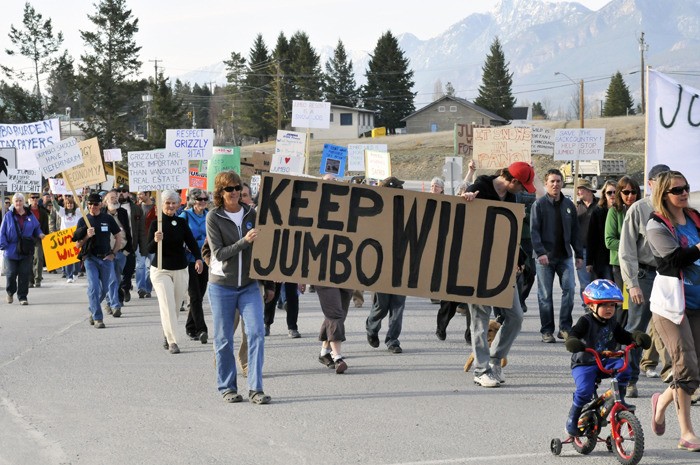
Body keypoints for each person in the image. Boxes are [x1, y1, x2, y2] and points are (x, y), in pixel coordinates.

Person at [461, 161, 535, 387]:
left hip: (501, 266)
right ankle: (481, 370)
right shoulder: (480, 187)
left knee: (515, 316)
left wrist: (519, 259)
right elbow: (459, 215)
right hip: (477, 264)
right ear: (512, 181)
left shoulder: (511, 198)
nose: (523, 191)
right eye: (522, 186)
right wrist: (466, 201)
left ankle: (494, 360)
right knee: (480, 319)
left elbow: (509, 234)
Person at [206, 170, 271, 403]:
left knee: (256, 333)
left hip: (249, 284)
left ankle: (256, 388)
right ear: (220, 193)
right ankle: (227, 387)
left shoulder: (252, 214)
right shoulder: (214, 217)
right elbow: (219, 253)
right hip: (222, 285)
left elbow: (268, 251)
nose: (234, 193)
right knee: (223, 338)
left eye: (237, 188)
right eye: (229, 189)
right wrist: (245, 241)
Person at [646, 170, 700, 451]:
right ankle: (687, 433)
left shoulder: (694, 218)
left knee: (695, 370)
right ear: (663, 194)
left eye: (686, 188)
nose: (683, 193)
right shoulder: (656, 224)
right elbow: (671, 260)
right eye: (677, 190)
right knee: (685, 367)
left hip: (698, 303)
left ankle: (661, 401)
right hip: (672, 307)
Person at [563, 279, 651, 436]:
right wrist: (572, 341)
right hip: (584, 363)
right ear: (591, 305)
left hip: (604, 361)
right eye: (604, 305)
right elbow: (574, 333)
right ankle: (573, 417)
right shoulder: (585, 321)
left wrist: (635, 338)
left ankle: (619, 398)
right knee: (584, 391)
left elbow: (624, 336)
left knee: (624, 366)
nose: (609, 309)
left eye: (612, 305)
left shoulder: (612, 322)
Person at [619, 165, 673, 398]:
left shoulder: (676, 208)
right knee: (636, 330)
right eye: (660, 181)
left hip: (669, 275)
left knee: (675, 327)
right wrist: (632, 283)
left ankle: (678, 379)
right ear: (650, 183)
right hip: (644, 275)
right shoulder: (638, 209)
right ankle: (628, 380)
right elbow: (626, 250)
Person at [531, 169, 583, 343]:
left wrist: (579, 254)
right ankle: (547, 330)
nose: (555, 184)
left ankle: (565, 328)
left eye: (558, 181)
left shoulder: (569, 206)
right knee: (545, 295)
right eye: (552, 181)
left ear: (562, 183)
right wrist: (540, 252)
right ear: (546, 184)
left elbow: (576, 231)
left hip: (565, 256)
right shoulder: (538, 205)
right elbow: (534, 231)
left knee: (569, 289)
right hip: (545, 257)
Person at [147, 190, 203, 354]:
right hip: (161, 270)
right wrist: (155, 240)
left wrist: (198, 258)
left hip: (180, 268)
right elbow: (148, 248)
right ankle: (172, 341)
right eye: (167, 203)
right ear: (161, 204)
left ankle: (167, 332)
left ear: (179, 204)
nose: (171, 206)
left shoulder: (181, 222)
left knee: (176, 306)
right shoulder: (155, 224)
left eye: (174, 203)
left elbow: (191, 242)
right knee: (167, 304)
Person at [366, 176, 408, 354]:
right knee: (381, 306)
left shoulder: (407, 210)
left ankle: (393, 340)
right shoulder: (376, 212)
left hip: (401, 266)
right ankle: (372, 328)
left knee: (398, 306)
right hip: (381, 267)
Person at [72, 193, 122, 328]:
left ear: (100, 204)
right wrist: (87, 236)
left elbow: (118, 237)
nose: (92, 206)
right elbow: (77, 245)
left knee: (104, 290)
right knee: (93, 287)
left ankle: (93, 310)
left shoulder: (108, 218)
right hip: (90, 258)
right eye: (90, 204)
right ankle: (98, 318)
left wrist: (113, 253)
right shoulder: (83, 221)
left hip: (106, 258)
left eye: (95, 204)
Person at [0, 193, 45, 305]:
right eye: (16, 201)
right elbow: (2, 232)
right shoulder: (8, 216)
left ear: (24, 202)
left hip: (26, 250)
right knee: (11, 274)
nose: (18, 203)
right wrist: (4, 245)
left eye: (20, 201)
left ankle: (22, 297)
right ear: (13, 203)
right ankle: (10, 292)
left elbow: (36, 227)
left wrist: (40, 234)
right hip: (11, 250)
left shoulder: (29, 215)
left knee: (24, 274)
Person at [605, 176, 641, 310]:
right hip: (620, 264)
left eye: (633, 192)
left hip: (640, 264)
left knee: (637, 304)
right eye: (626, 192)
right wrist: (631, 247)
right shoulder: (614, 211)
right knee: (623, 305)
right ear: (619, 193)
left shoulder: (641, 210)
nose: (630, 195)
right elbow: (609, 241)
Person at [180, 188, 209, 343]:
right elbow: (180, 237)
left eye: (205, 199)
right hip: (190, 260)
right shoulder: (185, 216)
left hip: (206, 260)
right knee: (195, 296)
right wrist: (193, 244)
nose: (203, 202)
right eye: (199, 199)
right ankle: (201, 329)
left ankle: (190, 327)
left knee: (200, 295)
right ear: (192, 200)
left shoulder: (209, 215)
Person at [101, 190, 130, 317]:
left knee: (117, 279)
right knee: (111, 279)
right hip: (107, 253)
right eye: (112, 197)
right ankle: (115, 305)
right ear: (106, 201)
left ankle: (109, 301)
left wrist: (127, 250)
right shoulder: (102, 214)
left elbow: (129, 231)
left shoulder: (123, 213)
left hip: (121, 252)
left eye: (116, 197)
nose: (115, 199)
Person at [117, 184, 146, 304]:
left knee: (128, 270)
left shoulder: (136, 209)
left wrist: (142, 247)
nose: (121, 193)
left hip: (130, 244)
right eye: (119, 191)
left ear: (129, 193)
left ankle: (125, 288)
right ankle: (116, 297)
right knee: (116, 272)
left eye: (124, 191)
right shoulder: (112, 207)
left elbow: (141, 229)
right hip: (115, 245)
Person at [586, 180, 616, 281]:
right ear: (604, 194)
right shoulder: (598, 211)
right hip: (601, 259)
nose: (612, 195)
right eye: (609, 192)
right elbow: (591, 237)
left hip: (617, 258)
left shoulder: (622, 211)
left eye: (615, 192)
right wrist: (589, 262)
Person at [575, 178, 599, 302]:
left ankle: (598, 304)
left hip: (598, 250)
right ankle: (587, 305)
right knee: (584, 283)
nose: (578, 192)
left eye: (581, 189)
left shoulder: (600, 205)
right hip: (582, 250)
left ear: (589, 190)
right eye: (577, 189)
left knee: (597, 281)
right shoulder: (576, 207)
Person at [52, 194, 82, 283]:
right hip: (65, 238)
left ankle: (75, 272)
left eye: (71, 204)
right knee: (67, 258)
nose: (69, 205)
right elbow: (56, 207)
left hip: (75, 237)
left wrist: (84, 198)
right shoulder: (62, 212)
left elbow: (83, 207)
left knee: (76, 257)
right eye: (68, 204)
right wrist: (53, 199)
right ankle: (69, 276)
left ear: (73, 204)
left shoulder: (77, 212)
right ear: (66, 204)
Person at [27, 193, 49, 288]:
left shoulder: (43, 212)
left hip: (39, 238)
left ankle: (38, 279)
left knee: (39, 258)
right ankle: (30, 280)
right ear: (30, 199)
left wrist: (46, 238)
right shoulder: (25, 211)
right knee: (29, 259)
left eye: (36, 198)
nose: (35, 199)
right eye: (33, 198)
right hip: (27, 238)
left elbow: (46, 227)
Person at [136, 190, 155, 298]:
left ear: (148, 194)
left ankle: (148, 289)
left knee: (151, 266)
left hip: (152, 241)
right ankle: (141, 288)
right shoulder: (136, 208)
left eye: (141, 194)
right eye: (138, 194)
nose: (139, 196)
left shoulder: (156, 208)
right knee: (140, 265)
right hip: (140, 241)